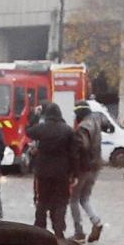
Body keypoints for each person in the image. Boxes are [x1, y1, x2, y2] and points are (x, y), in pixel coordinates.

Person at [25, 101, 78, 238]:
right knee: (60, 202)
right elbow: (74, 154)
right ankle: (59, 230)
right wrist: (74, 173)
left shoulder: (42, 128)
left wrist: (35, 116)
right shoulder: (67, 130)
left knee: (42, 200)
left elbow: (29, 131)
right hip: (62, 172)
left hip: (43, 171)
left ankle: (40, 229)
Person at [68, 108, 107, 245]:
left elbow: (81, 148)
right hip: (96, 166)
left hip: (84, 168)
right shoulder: (96, 122)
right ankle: (96, 221)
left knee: (73, 199)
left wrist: (75, 171)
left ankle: (79, 232)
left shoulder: (83, 128)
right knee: (85, 198)